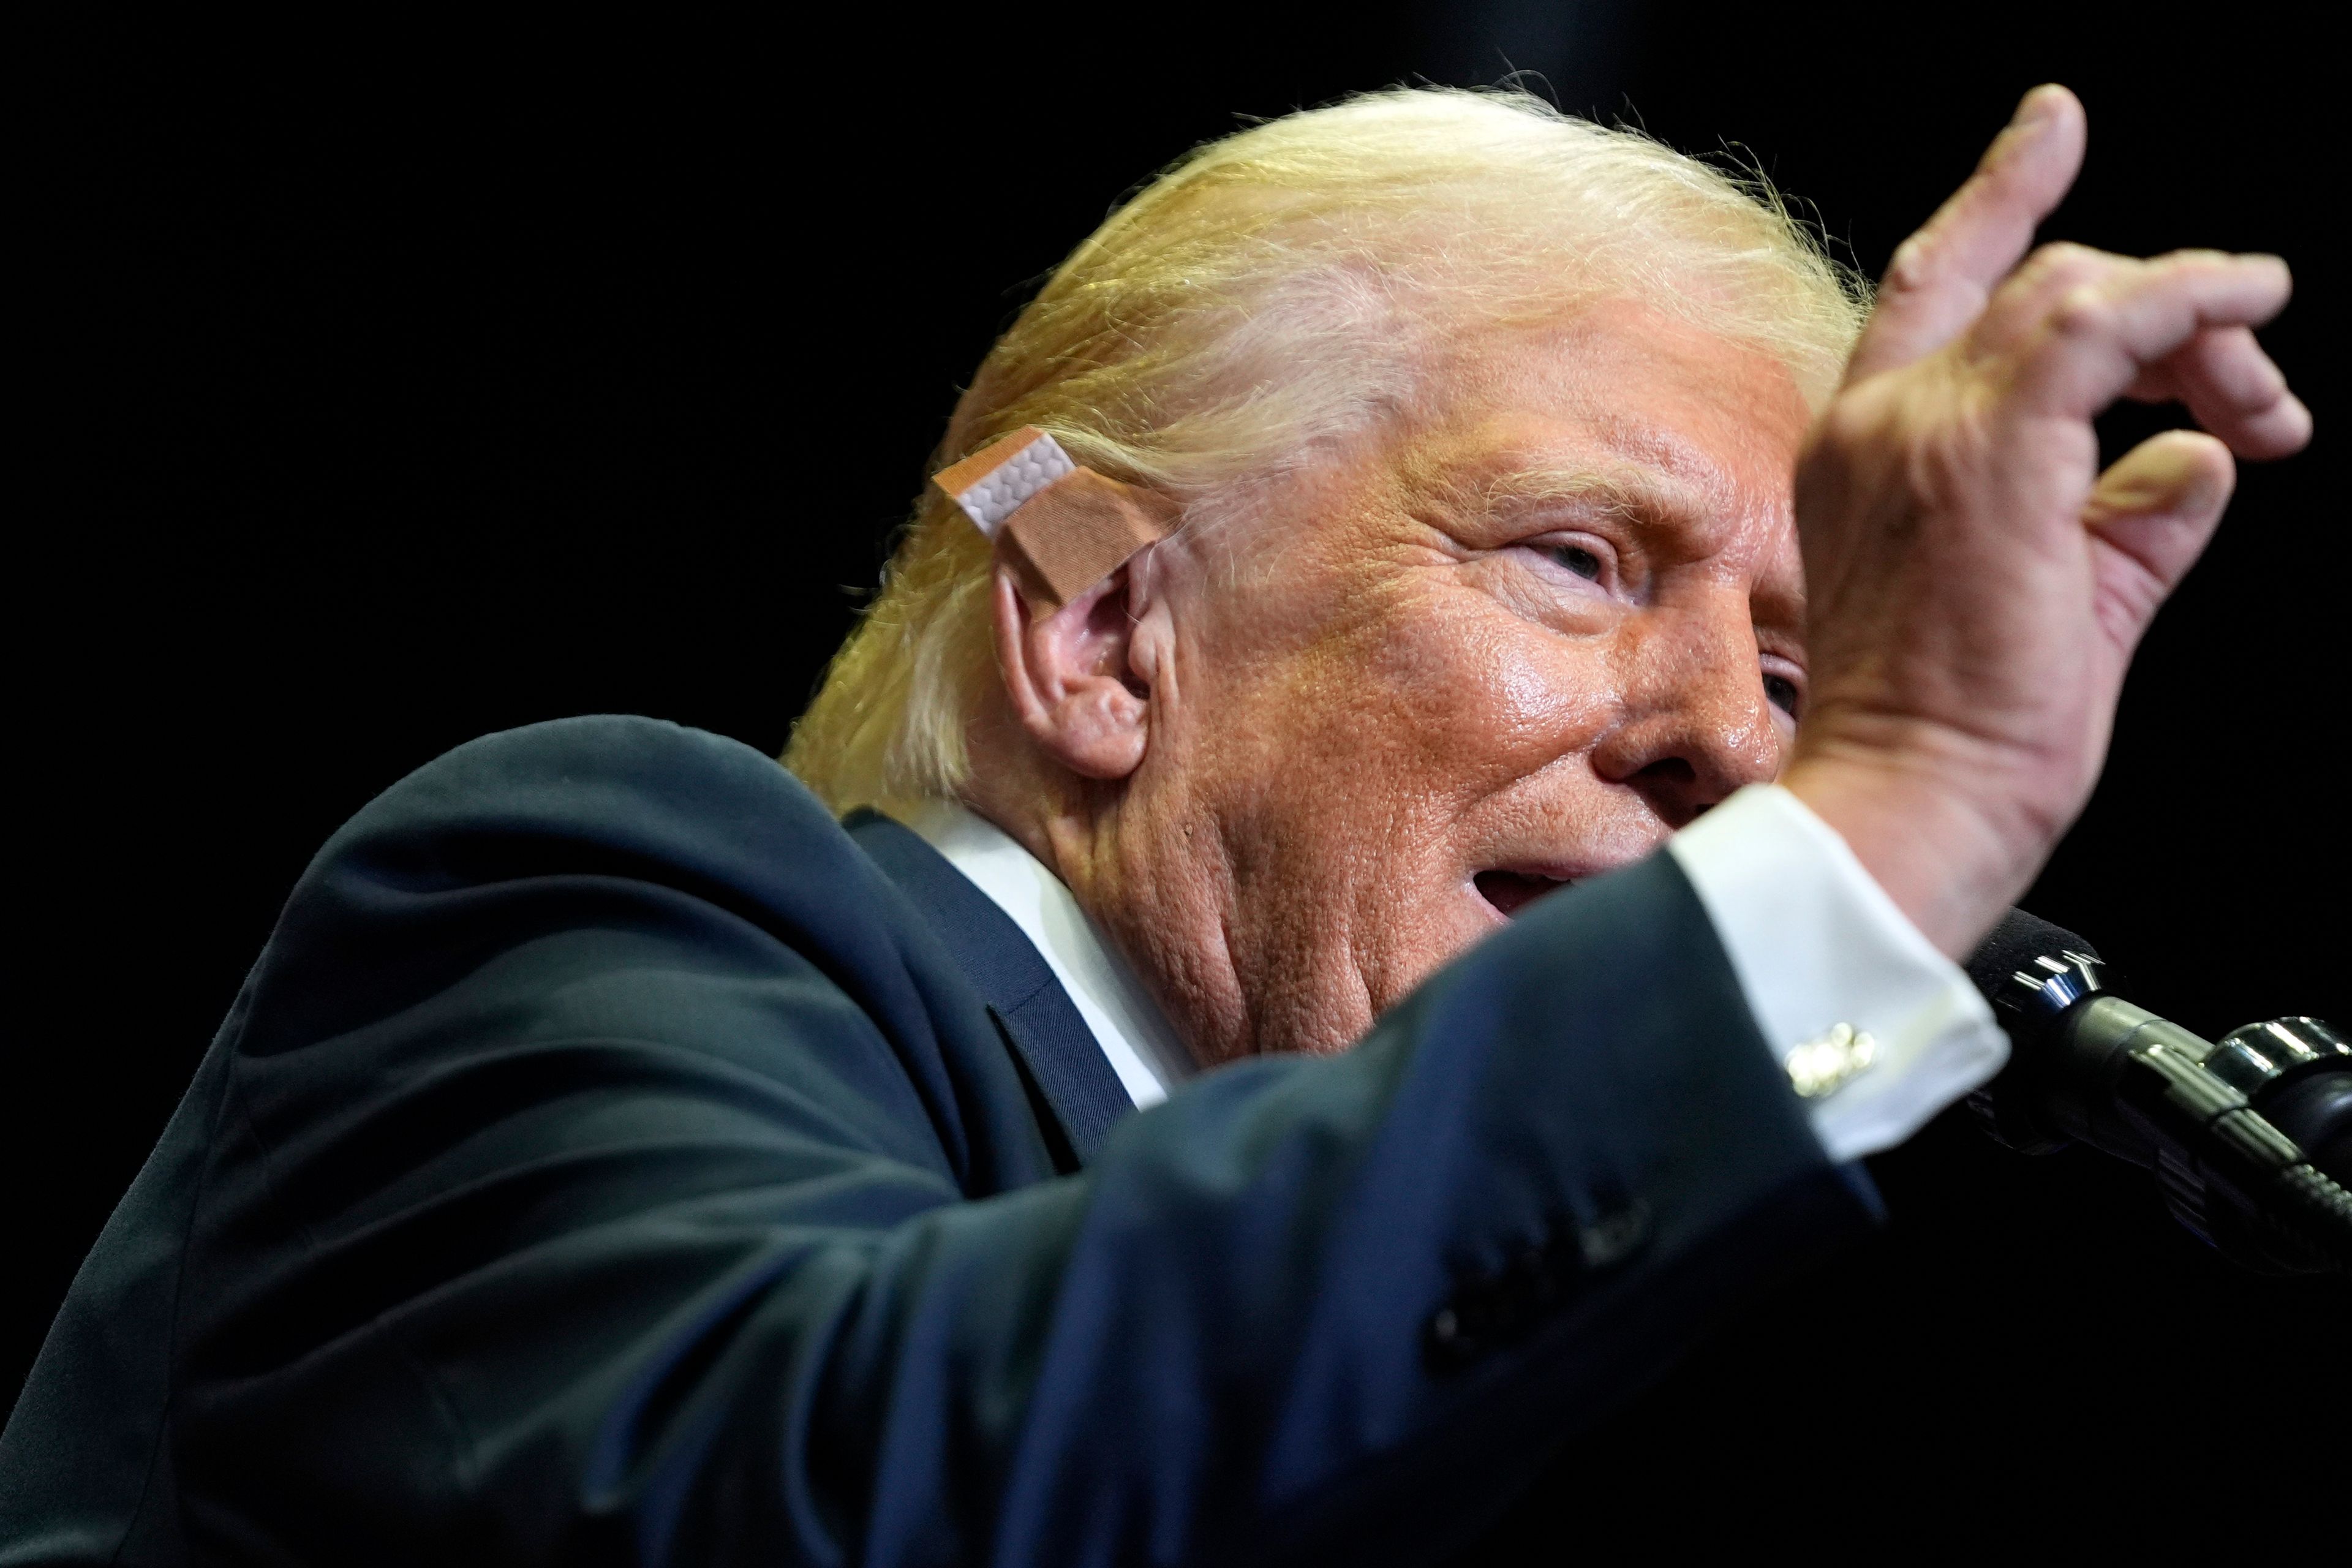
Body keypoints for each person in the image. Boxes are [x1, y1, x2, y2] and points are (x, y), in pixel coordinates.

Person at [0, 83, 2305, 1565]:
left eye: (1810, 682)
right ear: (1100, 625)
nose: (1731, 739)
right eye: (1586, 558)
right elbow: (827, 1500)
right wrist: (1898, 815)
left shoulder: (1439, 1373)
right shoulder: (582, 882)